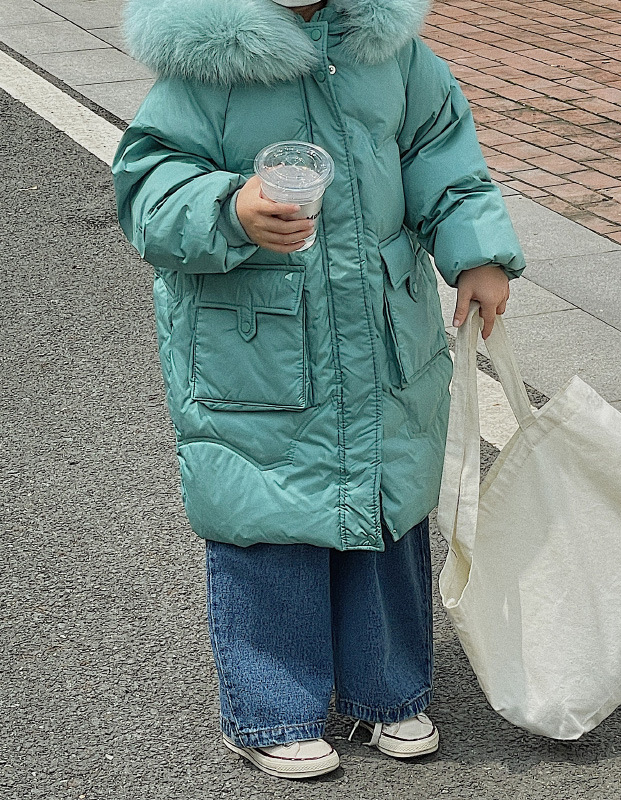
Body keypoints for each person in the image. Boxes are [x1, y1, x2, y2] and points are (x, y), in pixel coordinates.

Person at [113, 0, 524, 780]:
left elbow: (441, 151)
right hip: (257, 352)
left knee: (386, 504)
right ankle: (271, 708)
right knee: (264, 514)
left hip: (378, 338)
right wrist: (231, 207)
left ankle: (388, 690)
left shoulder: (390, 52)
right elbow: (148, 189)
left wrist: (477, 253)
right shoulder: (206, 66)